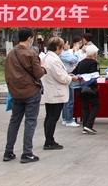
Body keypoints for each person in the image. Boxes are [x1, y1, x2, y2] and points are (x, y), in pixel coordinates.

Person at [4, 27, 46, 163]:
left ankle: (8, 151)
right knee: (30, 121)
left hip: (15, 92)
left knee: (14, 121)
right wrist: (43, 67)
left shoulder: (11, 53)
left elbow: (7, 73)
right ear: (29, 38)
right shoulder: (31, 53)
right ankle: (27, 152)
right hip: (31, 91)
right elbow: (38, 73)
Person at [42, 37, 78, 150]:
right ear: (57, 47)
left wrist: (67, 76)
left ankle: (49, 139)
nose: (62, 50)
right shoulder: (53, 60)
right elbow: (61, 78)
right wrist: (71, 78)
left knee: (49, 116)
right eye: (62, 47)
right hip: (55, 92)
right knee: (52, 117)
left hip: (51, 90)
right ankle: (49, 141)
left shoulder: (48, 57)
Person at [72, 45, 100, 135]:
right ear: (94, 54)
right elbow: (93, 76)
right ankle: (89, 125)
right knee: (96, 105)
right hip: (89, 88)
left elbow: (74, 72)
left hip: (81, 88)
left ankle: (85, 126)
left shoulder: (81, 62)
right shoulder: (93, 63)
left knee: (85, 107)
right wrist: (95, 86)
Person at [59, 35, 84, 127]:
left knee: (66, 99)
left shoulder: (63, 53)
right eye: (67, 44)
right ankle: (69, 120)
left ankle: (65, 118)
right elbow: (75, 60)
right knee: (69, 99)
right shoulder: (63, 54)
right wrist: (76, 51)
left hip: (66, 75)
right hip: (68, 75)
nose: (68, 46)